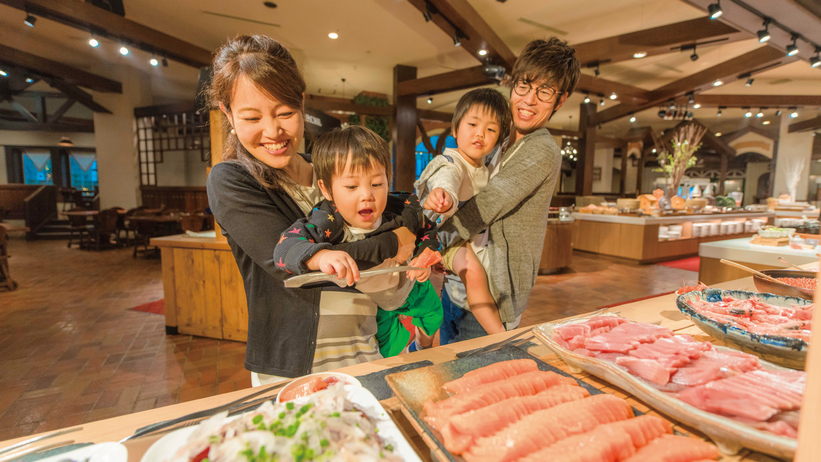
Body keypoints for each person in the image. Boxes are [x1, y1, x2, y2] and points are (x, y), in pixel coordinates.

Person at [206, 35, 418, 385]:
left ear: (302, 103)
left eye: (285, 113)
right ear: (228, 114)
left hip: (364, 346)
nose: (273, 131)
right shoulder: (231, 180)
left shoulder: (332, 174)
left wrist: (407, 236)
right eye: (251, 116)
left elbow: (390, 279)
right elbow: (294, 266)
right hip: (294, 367)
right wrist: (396, 243)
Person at [437, 37, 581, 344]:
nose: (529, 100)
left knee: (475, 384)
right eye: (524, 86)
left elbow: (488, 204)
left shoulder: (542, 150)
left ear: (561, 99)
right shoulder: (499, 140)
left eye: (544, 91)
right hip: (456, 287)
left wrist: (432, 243)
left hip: (493, 297)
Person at [273, 126, 443, 357]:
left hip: (412, 286)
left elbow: (428, 230)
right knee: (392, 351)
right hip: (374, 306)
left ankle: (422, 348)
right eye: (352, 186)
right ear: (326, 189)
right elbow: (284, 248)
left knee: (434, 316)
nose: (367, 195)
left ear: (388, 180)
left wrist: (426, 253)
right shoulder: (327, 221)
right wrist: (321, 255)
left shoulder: (402, 210)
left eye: (377, 184)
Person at [414, 88, 510, 336]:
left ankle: (422, 340)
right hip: (449, 238)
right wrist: (443, 195)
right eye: (473, 124)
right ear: (455, 130)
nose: (480, 133)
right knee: (474, 273)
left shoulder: (485, 169)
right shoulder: (453, 162)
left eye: (491, 129)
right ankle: (500, 335)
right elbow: (448, 179)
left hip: (462, 240)